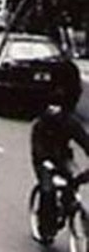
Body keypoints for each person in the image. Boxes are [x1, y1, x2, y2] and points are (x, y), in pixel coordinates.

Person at [30, 100, 89, 242]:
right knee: (48, 189)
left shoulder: (70, 123)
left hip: (63, 158)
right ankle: (45, 227)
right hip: (44, 159)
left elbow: (84, 141)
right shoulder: (41, 125)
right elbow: (37, 146)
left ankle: (68, 202)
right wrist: (44, 161)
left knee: (74, 178)